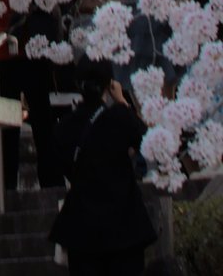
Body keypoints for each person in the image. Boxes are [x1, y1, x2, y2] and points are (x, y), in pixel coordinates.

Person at [49, 64, 155, 276]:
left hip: (82, 226)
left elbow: (60, 165)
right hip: (125, 223)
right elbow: (150, 143)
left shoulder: (64, 127)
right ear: (109, 86)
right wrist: (122, 102)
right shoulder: (120, 118)